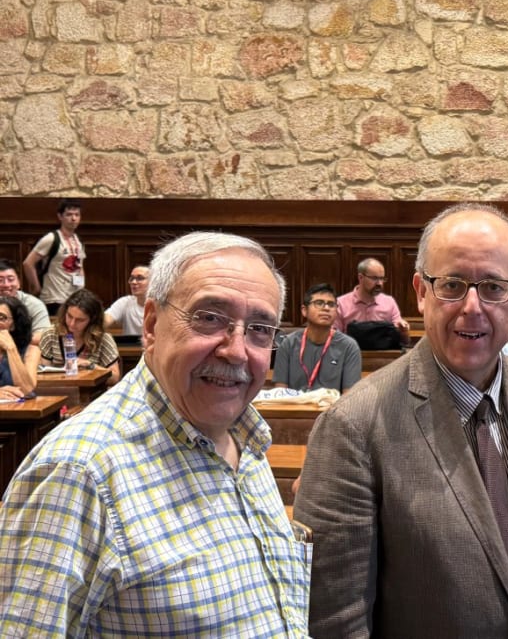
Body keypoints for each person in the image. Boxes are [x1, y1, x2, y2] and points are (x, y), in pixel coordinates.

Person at [295, 203, 508, 638]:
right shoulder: (354, 426)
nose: (472, 306)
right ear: (420, 291)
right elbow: (336, 620)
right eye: (452, 285)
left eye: (493, 287)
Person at [0, 232, 311, 636]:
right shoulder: (79, 472)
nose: (237, 350)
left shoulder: (243, 436)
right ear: (151, 324)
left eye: (259, 329)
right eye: (209, 317)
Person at [273, 282, 362, 393]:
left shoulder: (348, 347)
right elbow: (280, 392)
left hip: (332, 408)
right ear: (304, 310)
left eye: (331, 304)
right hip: (295, 408)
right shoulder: (288, 344)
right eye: (319, 303)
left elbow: (348, 396)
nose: (326, 308)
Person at [39, 288, 121, 387]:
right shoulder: (50, 334)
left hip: (92, 394)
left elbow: (115, 378)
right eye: (69, 316)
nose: (72, 324)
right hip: (58, 390)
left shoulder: (103, 339)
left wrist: (91, 366)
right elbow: (43, 375)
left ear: (92, 320)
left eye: (80, 320)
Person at [23, 198, 85, 317]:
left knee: (71, 332)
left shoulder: (78, 240)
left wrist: (81, 288)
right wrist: (36, 288)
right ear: (60, 216)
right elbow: (28, 263)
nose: (73, 218)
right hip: (53, 298)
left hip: (73, 298)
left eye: (77, 215)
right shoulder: (51, 238)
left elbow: (80, 266)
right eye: (69, 215)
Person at [334, 257, 410, 343]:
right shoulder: (341, 304)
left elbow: (404, 341)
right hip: (350, 354)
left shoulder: (389, 302)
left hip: (383, 355)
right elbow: (334, 339)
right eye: (375, 278)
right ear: (361, 277)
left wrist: (403, 332)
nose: (379, 283)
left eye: (382, 279)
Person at [0, 258, 50, 345]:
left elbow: (42, 336)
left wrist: (8, 342)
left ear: (19, 282)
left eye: (11, 279)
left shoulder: (34, 304)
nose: (6, 285)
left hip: (25, 349)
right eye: (0, 280)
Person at [0, 295, 40, 398]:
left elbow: (26, 390)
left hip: (17, 411)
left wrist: (11, 348)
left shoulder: (31, 351)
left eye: (1, 318)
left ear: (13, 325)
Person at [104, 265, 150, 335]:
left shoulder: (162, 305)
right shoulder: (125, 302)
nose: (133, 282)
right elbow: (105, 319)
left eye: (140, 278)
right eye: (132, 278)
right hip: (129, 345)